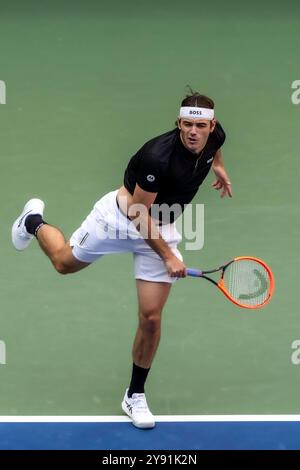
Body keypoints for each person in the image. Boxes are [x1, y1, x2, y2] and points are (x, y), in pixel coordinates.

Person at [11, 90, 232, 429]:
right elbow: (138, 214)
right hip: (119, 218)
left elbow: (214, 149)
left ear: (211, 125)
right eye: (186, 124)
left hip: (162, 225)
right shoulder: (157, 157)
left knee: (151, 318)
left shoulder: (214, 136)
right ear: (178, 123)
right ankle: (32, 222)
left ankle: (134, 395)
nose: (193, 132)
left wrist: (218, 168)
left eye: (200, 126)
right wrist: (169, 256)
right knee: (64, 263)